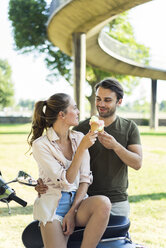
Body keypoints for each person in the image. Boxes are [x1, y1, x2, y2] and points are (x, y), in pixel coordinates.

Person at [36, 78, 142, 218]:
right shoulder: (81, 129)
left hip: (118, 201)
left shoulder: (129, 127)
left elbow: (137, 163)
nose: (101, 104)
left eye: (107, 100)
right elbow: (63, 161)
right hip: (85, 200)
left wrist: (115, 146)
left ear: (119, 101)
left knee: (116, 238)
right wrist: (43, 183)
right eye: (98, 99)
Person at [28, 93, 111, 248]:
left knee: (103, 203)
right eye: (74, 107)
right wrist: (81, 149)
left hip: (79, 203)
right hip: (53, 207)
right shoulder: (41, 145)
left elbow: (85, 179)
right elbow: (66, 181)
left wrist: (73, 211)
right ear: (62, 115)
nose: (78, 112)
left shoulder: (79, 137)